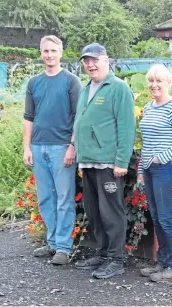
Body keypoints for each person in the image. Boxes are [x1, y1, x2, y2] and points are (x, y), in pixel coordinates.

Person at [73, 43, 136, 279]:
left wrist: (121, 161)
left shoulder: (118, 88)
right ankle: (102, 252)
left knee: (111, 212)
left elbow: (127, 128)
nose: (90, 64)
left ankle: (116, 259)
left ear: (106, 60)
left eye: (94, 60)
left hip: (108, 163)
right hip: (88, 161)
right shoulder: (85, 89)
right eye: (86, 61)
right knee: (94, 212)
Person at [23, 35, 82, 265]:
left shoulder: (71, 81)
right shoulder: (33, 83)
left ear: (61, 52)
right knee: (46, 198)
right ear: (41, 53)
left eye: (53, 51)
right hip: (38, 148)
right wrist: (26, 147)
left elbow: (79, 117)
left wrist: (72, 146)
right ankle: (53, 242)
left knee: (65, 198)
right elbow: (28, 117)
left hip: (62, 148)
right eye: (45, 51)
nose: (49, 55)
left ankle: (64, 248)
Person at [137, 64, 172, 282]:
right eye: (151, 81)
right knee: (157, 218)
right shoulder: (149, 107)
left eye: (159, 81)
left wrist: (161, 157)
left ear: (169, 83)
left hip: (166, 170)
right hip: (150, 171)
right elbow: (146, 143)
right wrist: (142, 169)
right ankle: (161, 263)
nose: (154, 85)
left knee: (167, 219)